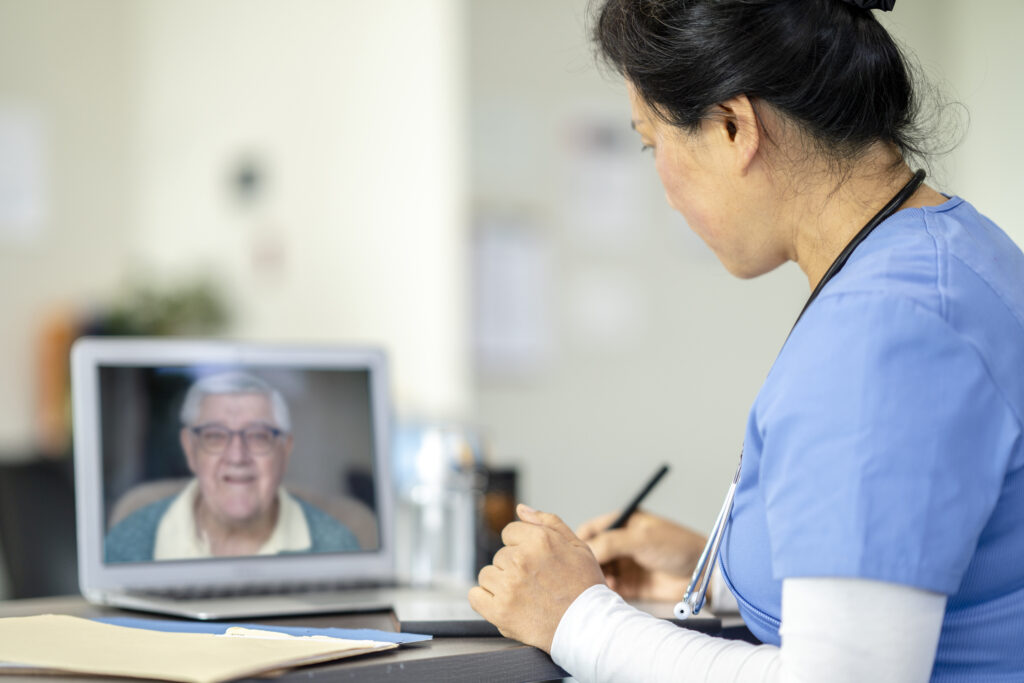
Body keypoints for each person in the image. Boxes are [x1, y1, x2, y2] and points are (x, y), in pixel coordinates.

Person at [468, 0, 1024, 680]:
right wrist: (719, 569)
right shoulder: (955, 251)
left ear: (734, 127)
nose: (664, 186)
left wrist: (576, 616)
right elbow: (941, 573)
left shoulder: (883, 329)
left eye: (653, 143)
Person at [105, 371, 360, 561]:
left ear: (285, 449)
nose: (237, 456)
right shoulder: (131, 540)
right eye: (215, 436)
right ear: (190, 449)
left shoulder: (338, 544)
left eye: (259, 435)